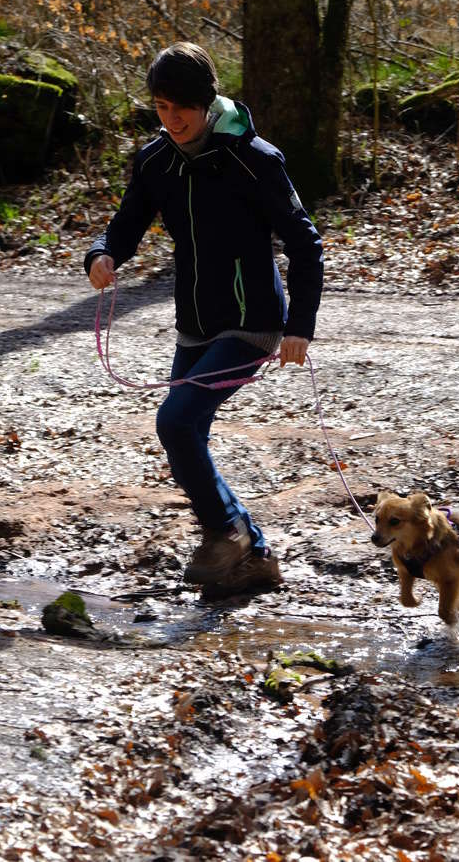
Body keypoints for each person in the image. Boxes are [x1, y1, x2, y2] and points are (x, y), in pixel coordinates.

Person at [85, 42, 323, 597]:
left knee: (175, 421)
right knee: (186, 434)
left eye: (181, 109)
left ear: (207, 100)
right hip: (194, 323)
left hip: (253, 323)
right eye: (161, 108)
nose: (171, 121)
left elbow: (304, 244)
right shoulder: (155, 160)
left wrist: (300, 327)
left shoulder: (256, 160)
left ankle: (227, 532)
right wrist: (103, 254)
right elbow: (126, 221)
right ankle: (256, 555)